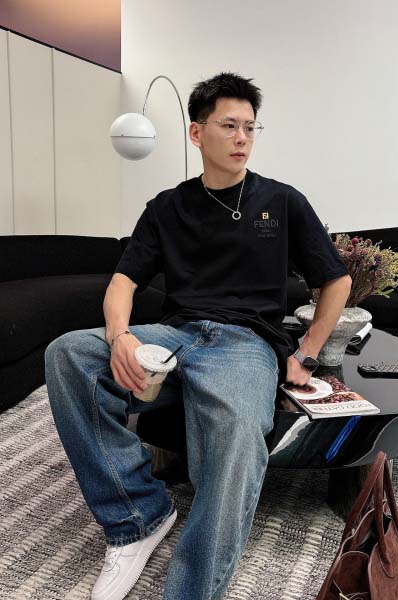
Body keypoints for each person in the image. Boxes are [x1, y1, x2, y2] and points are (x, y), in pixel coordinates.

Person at [45, 72, 351, 600]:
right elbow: (122, 282)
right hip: (175, 336)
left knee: (236, 432)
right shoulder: (167, 207)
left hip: (246, 345)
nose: (242, 138)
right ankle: (138, 516)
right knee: (69, 353)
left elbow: (336, 280)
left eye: (250, 127)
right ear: (196, 132)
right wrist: (119, 337)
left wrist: (306, 353)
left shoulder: (282, 201)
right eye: (229, 126)